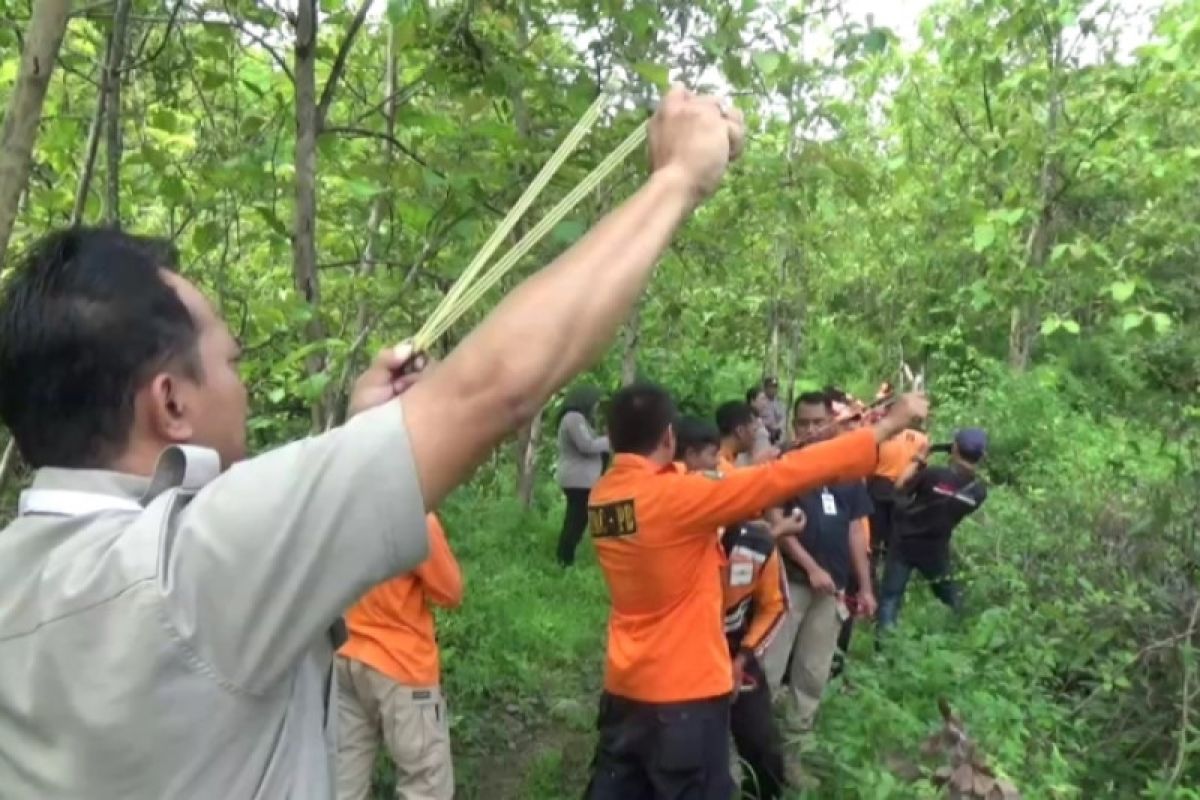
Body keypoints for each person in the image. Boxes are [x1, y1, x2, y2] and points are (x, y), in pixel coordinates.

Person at [0, 85, 746, 798]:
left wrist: (361, 435)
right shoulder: (190, 573)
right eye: (232, 362)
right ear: (170, 401)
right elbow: (500, 387)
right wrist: (677, 179)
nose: (244, 385)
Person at [583, 383, 928, 799]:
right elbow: (781, 479)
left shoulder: (605, 496)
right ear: (669, 438)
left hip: (625, 688)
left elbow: (679, 489)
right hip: (682, 695)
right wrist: (886, 426)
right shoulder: (678, 498)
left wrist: (753, 472)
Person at [674, 417, 789, 800]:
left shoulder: (757, 545)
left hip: (738, 650)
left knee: (761, 747)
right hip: (684, 655)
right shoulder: (675, 540)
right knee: (685, 752)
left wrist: (743, 658)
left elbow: (774, 606)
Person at [762, 392, 877, 736]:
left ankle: (798, 738)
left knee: (814, 669)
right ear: (793, 425)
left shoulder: (847, 468)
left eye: (818, 422)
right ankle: (754, 743)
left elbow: (856, 529)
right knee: (769, 665)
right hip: (788, 583)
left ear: (832, 422)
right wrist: (810, 567)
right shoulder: (784, 463)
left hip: (834, 588)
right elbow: (775, 521)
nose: (810, 430)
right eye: (803, 423)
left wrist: (865, 586)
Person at [336, 513, 462, 800]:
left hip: (345, 656)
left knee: (343, 780)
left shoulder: (342, 508)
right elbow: (450, 591)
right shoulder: (413, 515)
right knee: (425, 782)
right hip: (403, 669)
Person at [878, 428, 989, 629]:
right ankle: (968, 631)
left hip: (904, 543)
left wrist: (919, 458)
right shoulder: (979, 491)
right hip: (935, 548)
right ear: (981, 456)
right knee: (951, 595)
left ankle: (884, 651)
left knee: (890, 599)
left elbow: (900, 487)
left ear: (954, 448)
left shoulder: (933, 474)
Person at [555, 384, 609, 566]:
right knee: (576, 520)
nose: (596, 407)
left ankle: (566, 557)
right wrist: (612, 440)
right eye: (595, 403)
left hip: (582, 479)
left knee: (578, 518)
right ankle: (564, 558)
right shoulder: (574, 418)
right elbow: (587, 445)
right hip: (578, 480)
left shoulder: (579, 420)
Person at [715, 400, 760, 473]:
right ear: (740, 431)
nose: (755, 436)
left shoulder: (725, 458)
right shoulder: (720, 465)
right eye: (754, 430)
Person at [762, 377, 787, 444]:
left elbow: (784, 418)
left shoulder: (780, 403)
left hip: (777, 435)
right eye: (770, 387)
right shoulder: (760, 401)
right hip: (763, 434)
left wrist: (777, 428)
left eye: (775, 387)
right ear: (765, 388)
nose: (773, 389)